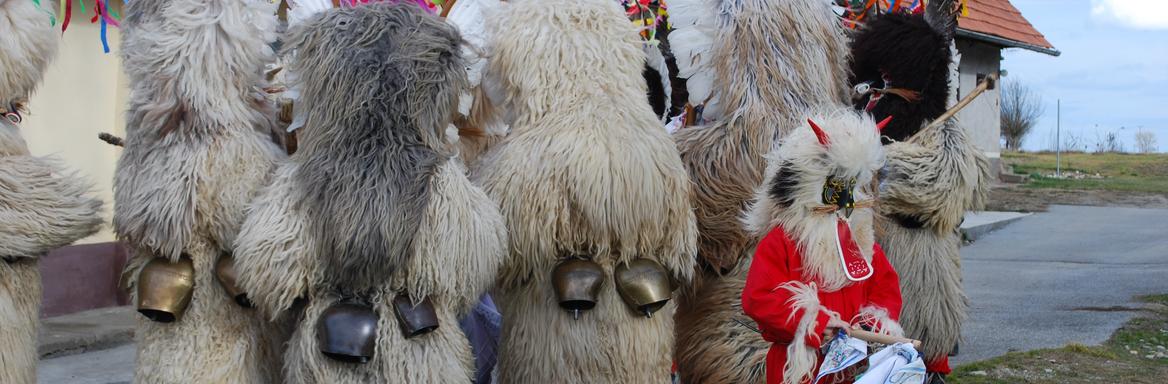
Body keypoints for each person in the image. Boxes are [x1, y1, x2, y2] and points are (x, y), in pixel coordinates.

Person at [741, 108, 904, 384]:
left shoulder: (861, 242)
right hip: (797, 369)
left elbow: (885, 290)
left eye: (851, 187)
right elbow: (758, 298)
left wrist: (870, 325)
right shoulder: (782, 240)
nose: (847, 201)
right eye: (838, 186)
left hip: (852, 369)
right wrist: (814, 323)